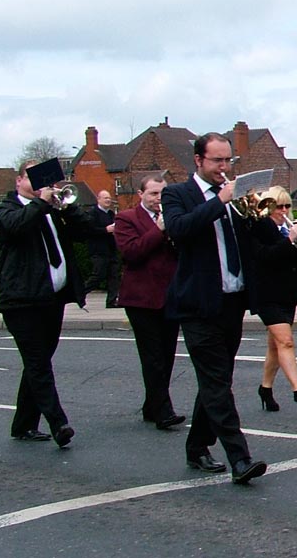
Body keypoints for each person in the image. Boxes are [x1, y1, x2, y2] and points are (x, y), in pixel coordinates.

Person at [162, 132, 267, 485]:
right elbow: (179, 230)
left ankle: (196, 447)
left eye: (228, 161)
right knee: (217, 383)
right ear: (198, 161)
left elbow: (260, 237)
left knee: (217, 381)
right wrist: (219, 201)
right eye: (217, 161)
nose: (224, 168)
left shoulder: (235, 197)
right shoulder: (178, 194)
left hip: (232, 300)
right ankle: (240, 459)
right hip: (197, 303)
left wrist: (261, 213)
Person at [0, 160, 94, 447]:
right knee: (38, 363)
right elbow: (13, 228)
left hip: (51, 300)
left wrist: (66, 206)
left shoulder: (52, 210)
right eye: (33, 178)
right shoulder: (8, 209)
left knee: (37, 364)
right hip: (22, 303)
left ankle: (24, 424)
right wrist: (40, 204)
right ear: (19, 181)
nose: (41, 184)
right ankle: (58, 422)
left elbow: (86, 231)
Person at [113, 174, 184, 430]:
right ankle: (164, 411)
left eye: (162, 194)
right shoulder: (127, 219)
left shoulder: (172, 216)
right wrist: (159, 229)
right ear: (141, 195)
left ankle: (152, 405)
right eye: (153, 194)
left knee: (166, 355)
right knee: (152, 356)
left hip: (170, 296)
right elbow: (132, 252)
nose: (158, 199)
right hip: (141, 299)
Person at [250, 186, 297, 414]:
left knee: (275, 345)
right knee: (286, 341)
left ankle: (265, 388)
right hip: (267, 293)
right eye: (279, 206)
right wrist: (289, 240)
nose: (284, 211)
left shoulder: (288, 227)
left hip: (287, 293)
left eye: (287, 206)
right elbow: (264, 257)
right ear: (268, 208)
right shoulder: (259, 227)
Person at [86, 190, 121, 308]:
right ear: (98, 199)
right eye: (105, 198)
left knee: (114, 276)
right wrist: (105, 230)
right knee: (98, 275)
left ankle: (111, 301)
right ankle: (79, 293)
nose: (108, 200)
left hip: (111, 249)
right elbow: (89, 230)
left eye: (109, 198)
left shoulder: (111, 214)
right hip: (98, 250)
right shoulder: (92, 213)